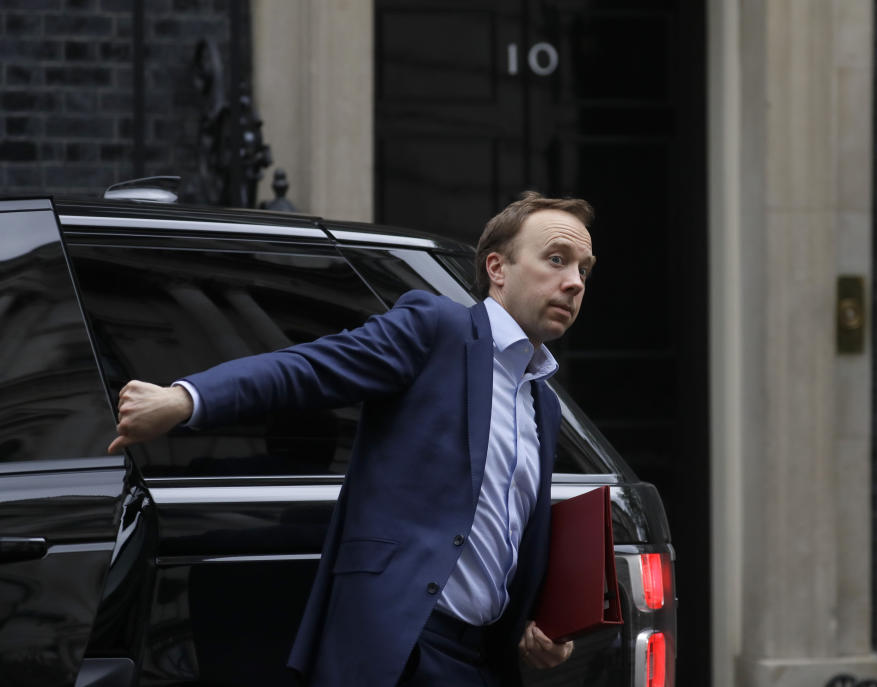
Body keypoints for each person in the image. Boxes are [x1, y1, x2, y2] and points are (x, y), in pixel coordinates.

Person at [108, 191, 597, 686]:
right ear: (498, 268)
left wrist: (535, 625)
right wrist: (186, 398)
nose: (574, 282)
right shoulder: (437, 329)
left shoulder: (544, 403)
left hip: (479, 661)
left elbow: (505, 533)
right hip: (400, 647)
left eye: (583, 268)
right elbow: (311, 367)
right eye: (556, 259)